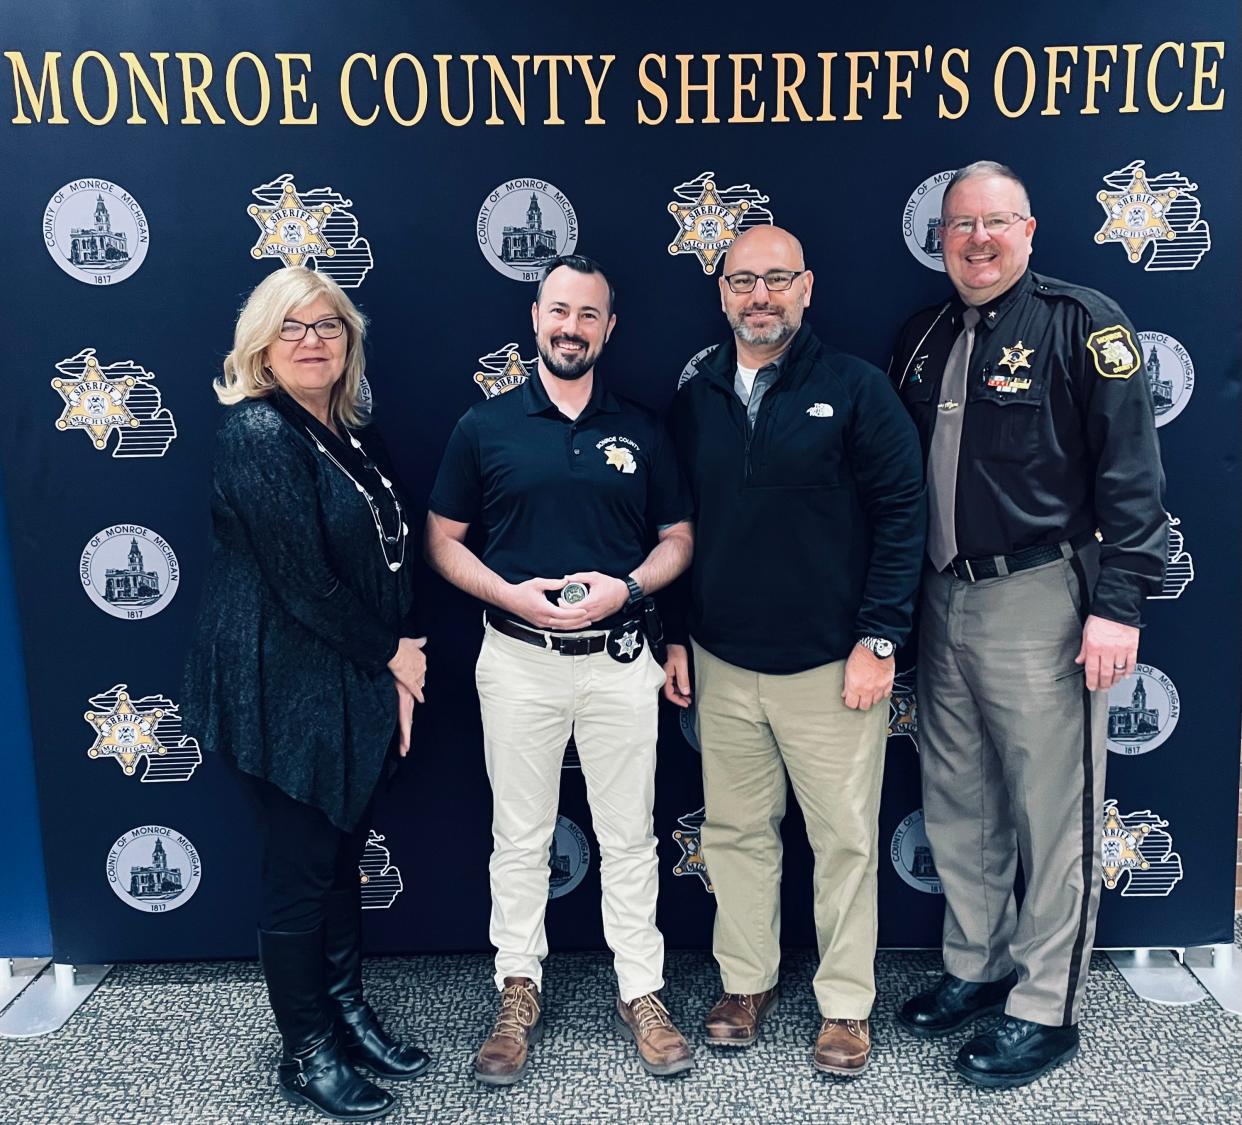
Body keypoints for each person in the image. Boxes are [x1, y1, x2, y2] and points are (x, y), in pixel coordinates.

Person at [888, 160, 1166, 1088]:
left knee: (1054, 810)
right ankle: (978, 963)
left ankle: (1047, 1004)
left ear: (1030, 229)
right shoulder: (920, 337)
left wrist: (1118, 604)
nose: (976, 240)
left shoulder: (1085, 324)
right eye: (960, 225)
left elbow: (1131, 477)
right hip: (940, 593)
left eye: (995, 223)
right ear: (941, 238)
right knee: (959, 797)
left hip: (1041, 595)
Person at [424, 254, 696, 1085]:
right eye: (559, 310)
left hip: (620, 663)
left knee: (629, 838)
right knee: (520, 835)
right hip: (517, 660)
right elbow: (440, 539)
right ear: (534, 317)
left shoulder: (645, 428)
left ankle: (641, 991)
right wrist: (511, 592)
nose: (571, 327)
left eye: (589, 315)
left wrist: (631, 587)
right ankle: (517, 988)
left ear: (609, 329)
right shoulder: (485, 427)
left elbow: (679, 539)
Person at [663, 225, 926, 1076]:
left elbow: (902, 518)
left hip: (832, 666)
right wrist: (676, 635)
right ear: (722, 292)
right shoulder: (696, 391)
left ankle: (846, 1003)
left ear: (807, 287)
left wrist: (879, 638)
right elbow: (676, 528)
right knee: (738, 833)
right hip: (723, 662)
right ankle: (746, 983)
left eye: (777, 279)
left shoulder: (856, 389)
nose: (760, 296)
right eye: (743, 280)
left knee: (845, 839)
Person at [182, 267, 431, 1121]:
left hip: (347, 677)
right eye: (291, 327)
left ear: (350, 340)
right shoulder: (258, 432)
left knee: (336, 860)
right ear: (261, 344)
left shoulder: (353, 433)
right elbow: (303, 584)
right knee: (298, 870)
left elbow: (388, 561)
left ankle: (347, 1014)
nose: (313, 339)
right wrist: (397, 657)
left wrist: (396, 655)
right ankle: (307, 1049)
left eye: (328, 324)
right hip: (275, 685)